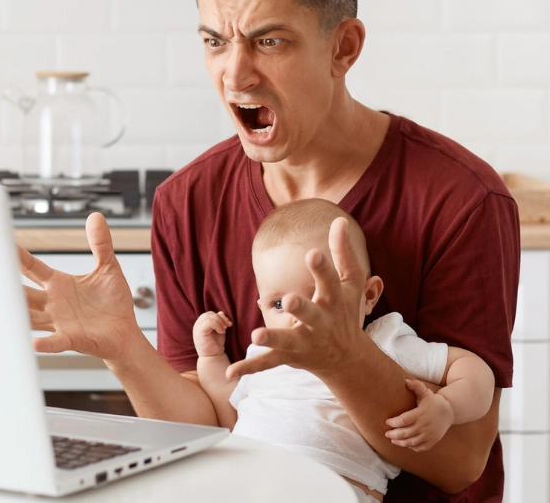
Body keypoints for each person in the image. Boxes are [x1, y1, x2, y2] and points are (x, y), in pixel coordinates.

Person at [18, 0, 520, 501]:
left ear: (344, 47)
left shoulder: (460, 199)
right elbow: (206, 426)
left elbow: (461, 461)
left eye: (269, 41)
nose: (236, 75)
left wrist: (344, 359)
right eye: (214, 41)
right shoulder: (186, 202)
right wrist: (125, 349)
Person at [192, 199, 495, 503]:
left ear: (368, 296)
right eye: (278, 304)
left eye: (316, 296)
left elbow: (476, 372)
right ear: (261, 308)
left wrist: (448, 407)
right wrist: (212, 358)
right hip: (244, 485)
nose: (297, 315)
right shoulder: (264, 351)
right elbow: (230, 413)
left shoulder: (383, 342)